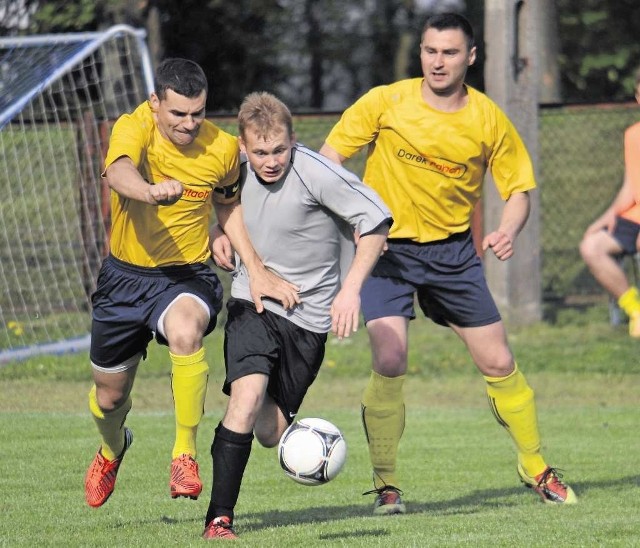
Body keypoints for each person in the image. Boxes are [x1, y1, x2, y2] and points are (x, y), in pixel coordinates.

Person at [319, 12, 577, 514]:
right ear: (421, 53)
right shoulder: (383, 101)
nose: (439, 62)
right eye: (431, 51)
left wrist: (508, 229)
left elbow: (519, 189)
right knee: (390, 360)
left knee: (499, 361)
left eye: (450, 52)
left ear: (470, 57)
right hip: (388, 250)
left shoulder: (486, 118)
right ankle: (387, 484)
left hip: (453, 254)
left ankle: (536, 467)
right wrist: (352, 219)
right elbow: (328, 162)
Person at [83, 58, 297, 509]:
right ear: (156, 102)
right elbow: (119, 171)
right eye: (178, 113)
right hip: (124, 277)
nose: (188, 123)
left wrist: (252, 266)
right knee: (108, 396)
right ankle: (112, 448)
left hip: (186, 275)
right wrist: (148, 190)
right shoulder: (134, 126)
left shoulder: (220, 149)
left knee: (185, 331)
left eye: (197, 113)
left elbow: (228, 205)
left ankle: (184, 453)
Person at [201, 91, 392, 539]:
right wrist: (216, 233)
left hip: (307, 323)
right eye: (261, 152)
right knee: (244, 401)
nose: (271, 161)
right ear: (243, 146)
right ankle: (219, 518)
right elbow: (225, 208)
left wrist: (350, 290)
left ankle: (245, 441)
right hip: (253, 303)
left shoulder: (315, 173)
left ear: (293, 140)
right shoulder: (232, 169)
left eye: (280, 150)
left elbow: (377, 222)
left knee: (269, 432)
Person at [580, 69, 640, 336]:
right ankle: (635, 310)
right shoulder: (633, 135)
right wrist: (607, 217)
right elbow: (630, 185)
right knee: (591, 246)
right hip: (634, 217)